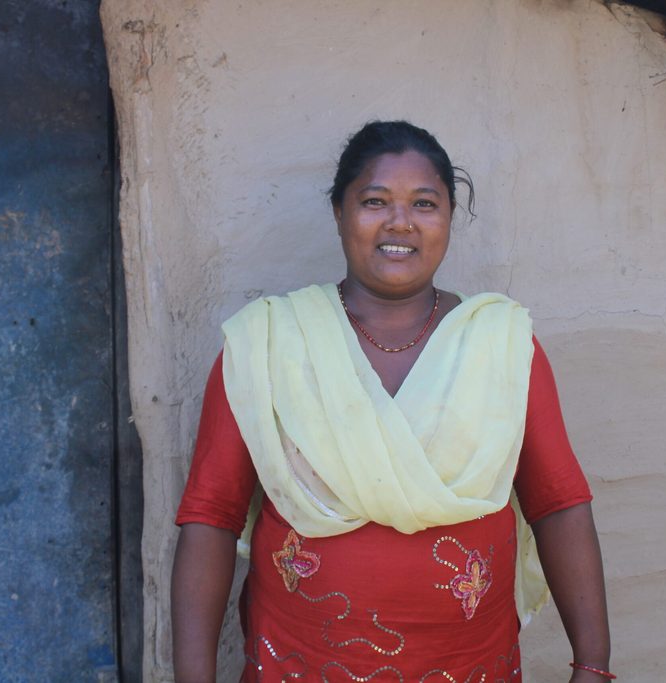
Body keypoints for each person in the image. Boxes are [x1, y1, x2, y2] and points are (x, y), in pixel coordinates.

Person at [171, 120, 612, 682]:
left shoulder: (500, 344)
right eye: (375, 201)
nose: (400, 222)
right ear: (339, 213)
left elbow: (559, 503)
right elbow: (211, 516)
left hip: (470, 666)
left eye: (424, 203)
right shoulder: (270, 344)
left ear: (449, 217)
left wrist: (593, 666)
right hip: (301, 664)